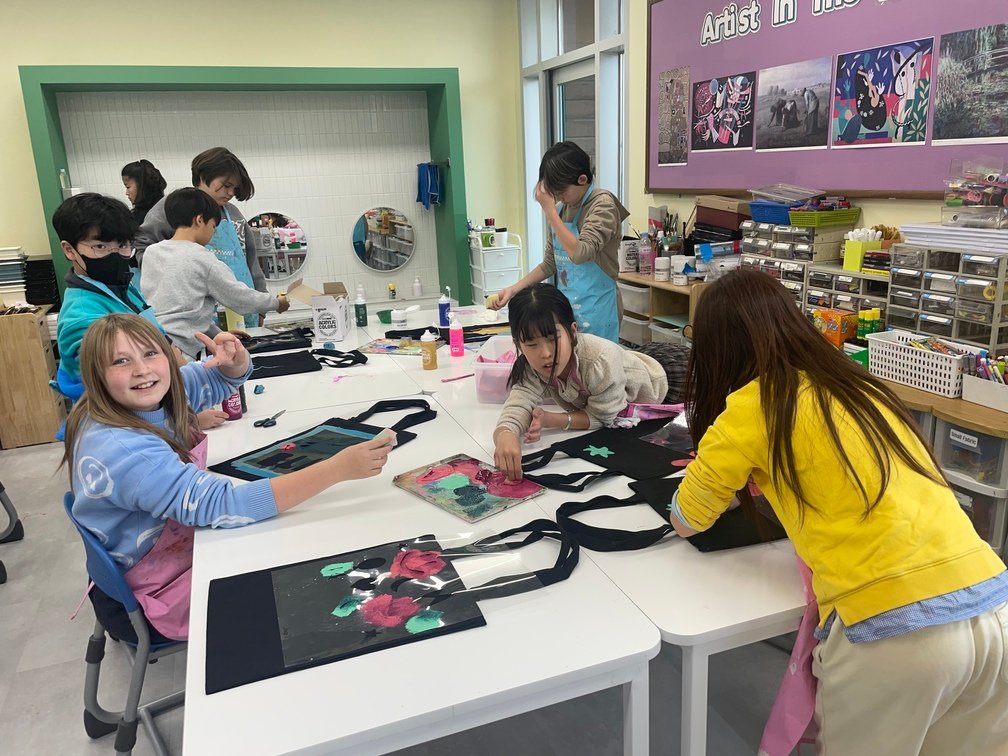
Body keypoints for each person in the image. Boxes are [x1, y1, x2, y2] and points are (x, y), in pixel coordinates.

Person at [667, 269, 1008, 754]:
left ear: (717, 351)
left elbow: (687, 518)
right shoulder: (860, 387)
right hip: (992, 604)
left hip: (897, 631)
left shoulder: (752, 406)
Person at [62, 313, 394, 641]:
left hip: (150, 563)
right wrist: (337, 469)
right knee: (301, 574)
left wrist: (235, 361)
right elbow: (226, 505)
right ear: (96, 375)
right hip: (148, 597)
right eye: (121, 361)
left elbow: (214, 378)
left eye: (150, 353)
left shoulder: (141, 396)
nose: (142, 369)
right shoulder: (127, 452)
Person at [52, 193, 230, 428]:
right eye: (100, 246)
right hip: (124, 429)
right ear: (69, 250)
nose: (115, 255)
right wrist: (186, 420)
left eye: (123, 245)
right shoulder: (82, 317)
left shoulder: (122, 289)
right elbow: (120, 397)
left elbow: (162, 345)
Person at [492, 284, 689, 481]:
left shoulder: (599, 360)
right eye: (531, 344)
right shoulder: (530, 368)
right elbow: (519, 403)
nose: (545, 353)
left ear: (572, 331)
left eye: (553, 339)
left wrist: (552, 419)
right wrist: (505, 434)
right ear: (518, 344)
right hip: (633, 370)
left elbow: (602, 417)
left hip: (672, 378)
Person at [488, 141, 628, 343]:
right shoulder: (563, 209)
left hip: (598, 311)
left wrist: (550, 211)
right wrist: (514, 289)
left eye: (561, 192)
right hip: (568, 309)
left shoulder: (603, 205)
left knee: (597, 360)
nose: (559, 198)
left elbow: (580, 253)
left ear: (582, 180)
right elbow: (549, 263)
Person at [140, 188, 290, 360]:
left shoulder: (152, 252)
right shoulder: (202, 257)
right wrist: (277, 303)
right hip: (183, 351)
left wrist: (217, 334)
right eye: (213, 227)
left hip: (152, 340)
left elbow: (182, 309)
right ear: (199, 220)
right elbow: (240, 298)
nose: (213, 233)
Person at [135, 147, 267, 327]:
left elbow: (251, 261)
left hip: (242, 312)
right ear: (204, 176)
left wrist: (261, 303)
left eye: (234, 188)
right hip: (195, 318)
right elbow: (143, 244)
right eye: (227, 185)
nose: (231, 193)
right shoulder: (175, 206)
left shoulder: (234, 214)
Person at [121, 159, 167, 225]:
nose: (126, 193)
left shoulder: (146, 218)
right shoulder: (165, 209)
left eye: (128, 187)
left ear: (142, 186)